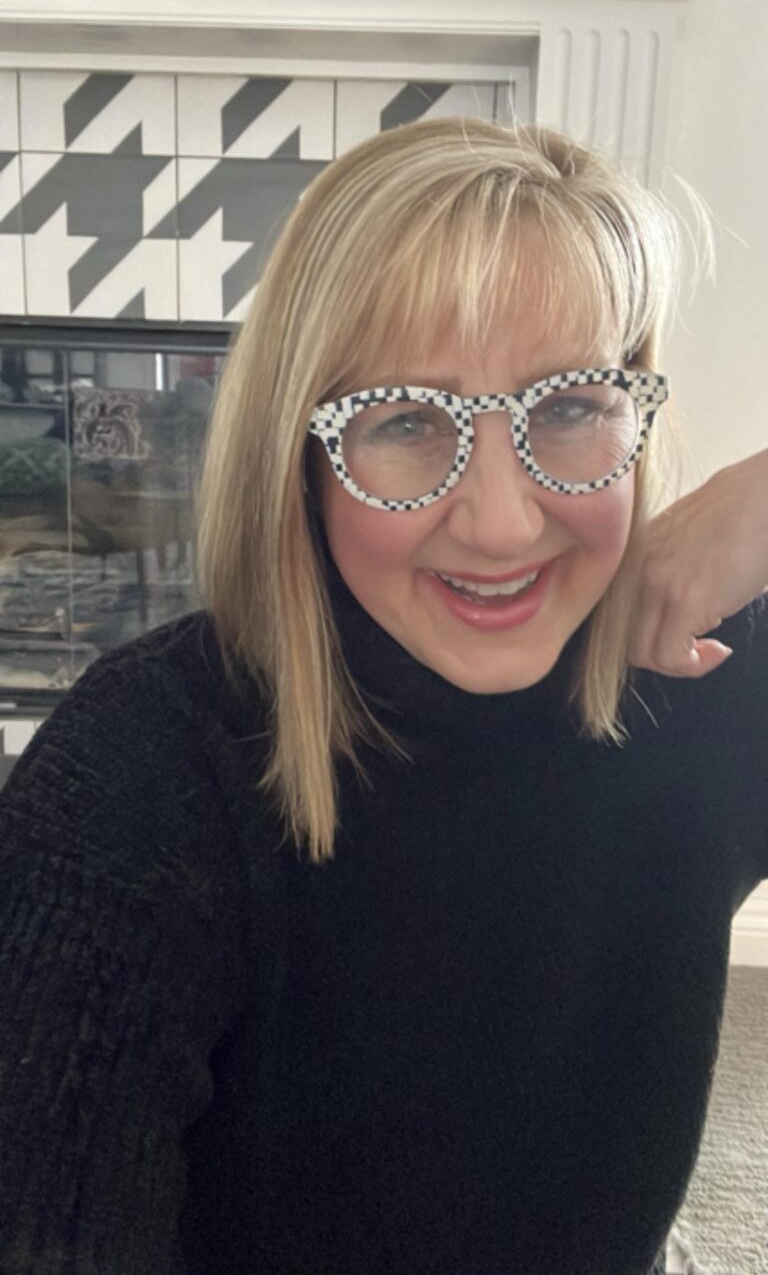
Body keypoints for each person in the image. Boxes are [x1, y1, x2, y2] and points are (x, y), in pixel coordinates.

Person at [0, 118, 766, 1275]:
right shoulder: (138, 776)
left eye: (569, 405)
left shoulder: (703, 676)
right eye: (407, 422)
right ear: (297, 453)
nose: (506, 522)